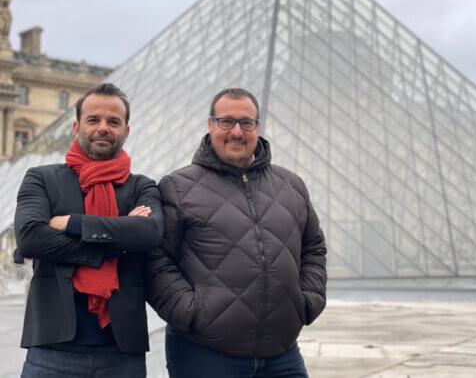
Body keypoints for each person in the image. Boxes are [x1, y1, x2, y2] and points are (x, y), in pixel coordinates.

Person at [146, 88, 327, 377]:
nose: (237, 132)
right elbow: (156, 258)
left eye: (247, 123)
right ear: (210, 124)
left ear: (258, 127)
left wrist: (308, 300)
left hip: (282, 352)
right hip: (204, 352)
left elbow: (314, 247)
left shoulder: (291, 185)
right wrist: (189, 312)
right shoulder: (177, 187)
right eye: (226, 122)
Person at [15, 83, 164, 377]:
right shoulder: (41, 179)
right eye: (93, 120)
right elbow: (30, 238)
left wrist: (72, 224)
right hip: (52, 349)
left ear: (126, 131)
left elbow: (149, 234)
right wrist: (118, 242)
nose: (103, 128)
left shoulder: (143, 186)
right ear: (76, 126)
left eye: (113, 121)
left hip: (122, 352)